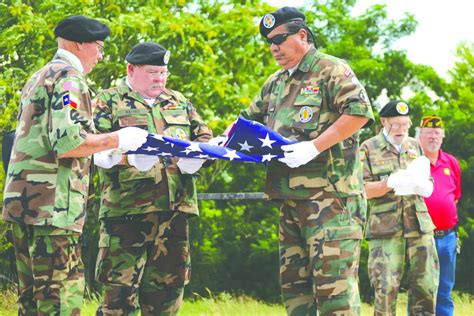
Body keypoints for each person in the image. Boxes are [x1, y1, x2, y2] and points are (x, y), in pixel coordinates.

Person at [2, 15, 148, 315]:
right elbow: (70, 142)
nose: (101, 55)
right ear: (79, 44)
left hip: (23, 204)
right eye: (98, 46)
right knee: (60, 297)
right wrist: (119, 139)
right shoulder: (70, 79)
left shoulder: (39, 76)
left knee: (31, 300)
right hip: (54, 207)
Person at [239, 7, 374, 315]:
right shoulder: (275, 83)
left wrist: (315, 146)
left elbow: (358, 112)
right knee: (296, 296)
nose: (273, 48)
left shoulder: (331, 69)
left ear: (302, 35)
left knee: (334, 295)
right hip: (289, 201)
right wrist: (222, 140)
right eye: (269, 42)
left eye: (279, 39)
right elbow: (247, 120)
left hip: (330, 201)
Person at [92, 42, 213, 315]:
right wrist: (126, 159)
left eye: (163, 72)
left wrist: (200, 157)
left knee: (168, 295)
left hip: (174, 212)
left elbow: (204, 135)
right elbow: (89, 146)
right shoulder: (108, 100)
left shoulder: (179, 101)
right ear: (131, 69)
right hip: (126, 214)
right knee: (118, 296)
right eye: (152, 72)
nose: (160, 78)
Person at [360, 100, 439, 315]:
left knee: (426, 286)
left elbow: (427, 178)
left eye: (405, 125)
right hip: (385, 230)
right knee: (385, 289)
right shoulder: (368, 148)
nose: (401, 130)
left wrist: (426, 186)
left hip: (419, 225)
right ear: (384, 121)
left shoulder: (414, 145)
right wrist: (389, 183)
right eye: (396, 125)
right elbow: (362, 190)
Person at [417, 115, 462, 316]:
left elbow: (455, 197)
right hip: (422, 237)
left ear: (442, 137)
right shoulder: (414, 162)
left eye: (437, 133)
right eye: (428, 133)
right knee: (421, 291)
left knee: (444, 290)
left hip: (448, 238)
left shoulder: (451, 163)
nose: (433, 137)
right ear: (420, 136)